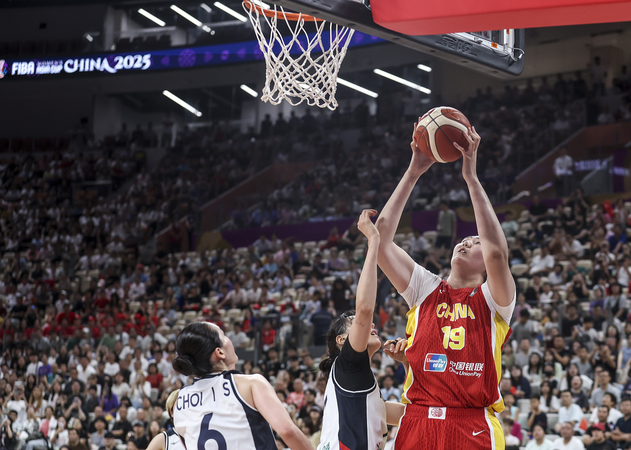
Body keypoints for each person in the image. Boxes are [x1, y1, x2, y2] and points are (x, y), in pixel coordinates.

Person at [374, 125, 516, 449]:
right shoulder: (424, 288)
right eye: (465, 239)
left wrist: (471, 179)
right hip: (417, 421)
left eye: (475, 241)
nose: (466, 242)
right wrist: (413, 172)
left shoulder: (495, 299)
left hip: (473, 424)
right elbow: (379, 242)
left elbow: (497, 252)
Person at [317, 210, 401, 450]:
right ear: (342, 340)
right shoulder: (347, 364)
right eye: (355, 322)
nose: (371, 325)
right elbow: (365, 308)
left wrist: (407, 364)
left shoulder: (356, 383)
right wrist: (373, 241)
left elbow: (411, 414)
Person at [171, 322, 313, 450]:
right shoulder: (250, 384)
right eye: (223, 335)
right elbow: (287, 431)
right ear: (219, 352)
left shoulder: (179, 401)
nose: (228, 339)